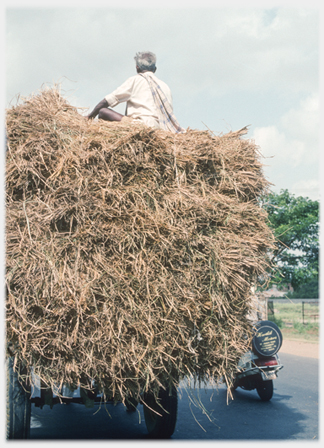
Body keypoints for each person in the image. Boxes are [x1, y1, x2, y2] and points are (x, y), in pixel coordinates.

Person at [86, 51, 184, 133]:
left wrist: (90, 117)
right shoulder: (165, 86)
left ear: (137, 67)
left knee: (103, 111)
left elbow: (108, 100)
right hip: (161, 129)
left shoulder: (135, 80)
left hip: (141, 126)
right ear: (155, 69)